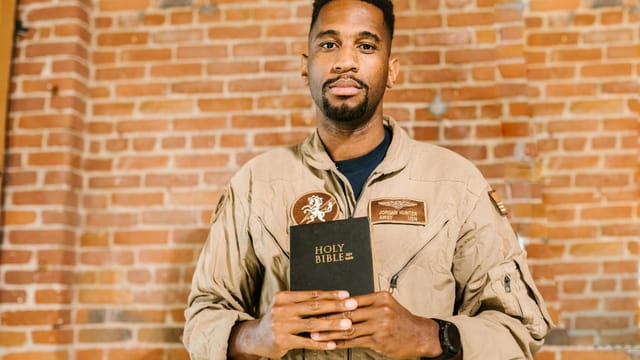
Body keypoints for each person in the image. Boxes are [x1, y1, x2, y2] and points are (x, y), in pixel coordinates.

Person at [183, 0, 553, 359]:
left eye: (365, 45)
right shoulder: (255, 184)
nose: (345, 62)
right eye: (329, 45)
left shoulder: (456, 183)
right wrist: (254, 336)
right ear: (305, 64)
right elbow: (203, 318)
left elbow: (520, 330)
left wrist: (431, 336)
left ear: (391, 70)